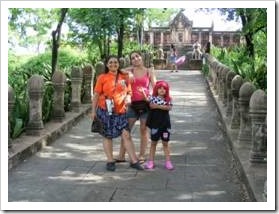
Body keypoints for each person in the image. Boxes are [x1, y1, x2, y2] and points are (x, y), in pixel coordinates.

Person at [91, 55, 143, 171]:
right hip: (105, 110)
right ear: (106, 64)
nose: (113, 64)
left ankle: (134, 161)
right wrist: (93, 111)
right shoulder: (102, 78)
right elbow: (96, 95)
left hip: (121, 111)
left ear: (119, 64)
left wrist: (129, 97)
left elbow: (129, 91)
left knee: (126, 135)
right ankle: (110, 160)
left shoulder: (124, 77)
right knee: (107, 135)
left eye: (115, 62)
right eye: (110, 62)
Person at [115, 51, 157, 164]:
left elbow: (156, 88)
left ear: (141, 57)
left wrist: (150, 99)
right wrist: (129, 74)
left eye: (137, 56)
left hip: (145, 104)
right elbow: (118, 71)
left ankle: (142, 155)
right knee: (126, 130)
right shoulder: (130, 70)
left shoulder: (149, 71)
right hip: (132, 105)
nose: (135, 59)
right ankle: (121, 155)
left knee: (143, 130)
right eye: (133, 58)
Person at [143, 80, 174, 170]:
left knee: (165, 143)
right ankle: (151, 161)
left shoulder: (168, 99)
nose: (162, 90)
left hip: (165, 125)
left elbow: (169, 107)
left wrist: (157, 106)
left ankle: (168, 162)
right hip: (155, 124)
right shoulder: (153, 98)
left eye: (164, 88)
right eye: (160, 88)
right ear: (156, 89)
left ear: (167, 90)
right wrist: (143, 93)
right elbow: (149, 104)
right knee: (153, 143)